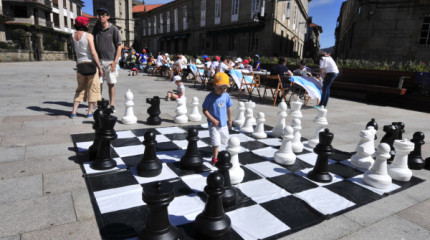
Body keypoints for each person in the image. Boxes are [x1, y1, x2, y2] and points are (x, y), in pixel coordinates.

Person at [70, 16, 103, 118]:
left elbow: (75, 52)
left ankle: (74, 112)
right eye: (87, 23)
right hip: (90, 64)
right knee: (93, 89)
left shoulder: (72, 35)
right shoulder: (88, 36)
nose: (88, 25)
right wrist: (100, 67)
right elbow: (93, 53)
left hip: (80, 65)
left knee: (80, 89)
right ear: (84, 24)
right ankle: (89, 112)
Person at [93, 8, 122, 113]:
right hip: (98, 61)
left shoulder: (113, 29)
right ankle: (98, 103)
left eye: (103, 15)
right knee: (98, 84)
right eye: (99, 15)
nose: (101, 16)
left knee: (111, 84)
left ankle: (112, 104)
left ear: (108, 16)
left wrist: (115, 62)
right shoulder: (96, 29)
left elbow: (119, 46)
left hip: (110, 61)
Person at [202, 72, 233, 165]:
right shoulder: (210, 97)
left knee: (226, 140)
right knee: (216, 142)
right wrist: (212, 119)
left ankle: (226, 155)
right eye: (220, 88)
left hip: (223, 124)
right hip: (213, 125)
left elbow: (229, 108)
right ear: (214, 86)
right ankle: (215, 157)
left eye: (225, 88)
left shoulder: (226, 95)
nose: (223, 90)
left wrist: (230, 120)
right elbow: (205, 110)